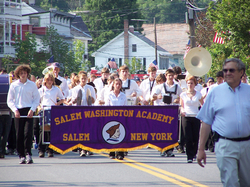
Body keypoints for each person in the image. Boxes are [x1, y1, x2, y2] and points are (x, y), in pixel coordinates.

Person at [197, 58, 250, 186]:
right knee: (230, 182)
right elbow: (206, 122)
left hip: (247, 145)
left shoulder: (248, 91)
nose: (227, 73)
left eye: (231, 70)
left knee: (247, 182)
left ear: (241, 72)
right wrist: (201, 149)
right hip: (225, 144)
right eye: (225, 70)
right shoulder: (215, 92)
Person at [7, 65, 40, 164]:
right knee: (19, 134)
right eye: (21, 73)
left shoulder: (32, 85)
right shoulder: (14, 85)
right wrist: (15, 110)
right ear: (18, 74)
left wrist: (32, 109)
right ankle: (21, 155)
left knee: (28, 133)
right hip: (18, 111)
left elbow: (36, 99)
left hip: (28, 110)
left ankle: (28, 154)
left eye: (25, 73)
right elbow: (10, 100)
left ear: (27, 74)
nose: (23, 75)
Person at [151, 69, 182, 157]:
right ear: (166, 76)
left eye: (172, 75)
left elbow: (183, 97)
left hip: (172, 110)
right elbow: (152, 97)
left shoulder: (177, 87)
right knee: (162, 131)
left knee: (171, 131)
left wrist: (178, 99)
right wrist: (157, 96)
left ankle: (170, 150)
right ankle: (162, 149)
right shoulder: (160, 87)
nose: (171, 77)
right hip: (162, 110)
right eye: (169, 75)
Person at [38, 73, 65, 157]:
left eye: (51, 80)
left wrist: (58, 103)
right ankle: (41, 150)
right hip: (44, 111)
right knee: (43, 131)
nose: (49, 82)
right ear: (45, 81)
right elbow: (37, 101)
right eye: (48, 80)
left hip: (53, 110)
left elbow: (63, 99)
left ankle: (50, 150)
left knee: (52, 131)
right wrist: (39, 107)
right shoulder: (41, 90)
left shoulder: (56, 89)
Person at [71, 71, 96, 157]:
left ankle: (88, 148)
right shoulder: (75, 89)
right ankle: (82, 149)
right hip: (79, 111)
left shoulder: (90, 88)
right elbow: (72, 101)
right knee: (81, 131)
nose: (83, 80)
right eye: (82, 78)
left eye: (85, 79)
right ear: (79, 79)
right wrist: (74, 100)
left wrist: (90, 97)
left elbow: (94, 101)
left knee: (88, 130)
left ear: (87, 79)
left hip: (88, 111)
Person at [180, 76, 203, 163]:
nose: (190, 85)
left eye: (191, 83)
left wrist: (202, 115)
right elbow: (181, 106)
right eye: (188, 83)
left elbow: (202, 106)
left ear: (194, 84)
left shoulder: (198, 94)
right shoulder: (183, 94)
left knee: (195, 136)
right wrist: (182, 111)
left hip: (196, 117)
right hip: (186, 117)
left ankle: (194, 153)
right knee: (188, 137)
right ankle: (189, 155)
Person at [105, 78, 127, 160]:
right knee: (112, 135)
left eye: (119, 84)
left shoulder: (123, 95)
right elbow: (106, 107)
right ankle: (112, 152)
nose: (117, 86)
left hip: (120, 117)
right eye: (116, 84)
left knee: (120, 135)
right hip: (111, 117)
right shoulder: (109, 95)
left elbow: (125, 108)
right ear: (113, 85)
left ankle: (120, 152)